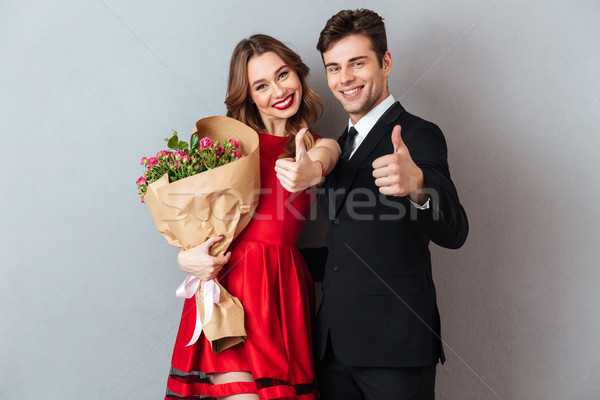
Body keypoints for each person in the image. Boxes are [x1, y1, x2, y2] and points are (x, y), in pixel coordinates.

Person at [165, 34, 341, 400]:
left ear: (298, 72)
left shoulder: (313, 144)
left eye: (283, 74)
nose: (278, 90)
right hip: (231, 292)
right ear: (248, 96)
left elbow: (329, 151)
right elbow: (195, 230)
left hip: (282, 292)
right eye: (261, 85)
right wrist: (186, 256)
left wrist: (312, 168)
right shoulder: (228, 151)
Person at [313, 9, 469, 400]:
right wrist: (261, 260)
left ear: (385, 62)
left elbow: (455, 231)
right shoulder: (336, 147)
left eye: (357, 63)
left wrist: (418, 185)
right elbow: (343, 253)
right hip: (332, 349)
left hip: (396, 348)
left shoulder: (418, 134)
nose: (344, 78)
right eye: (333, 68)